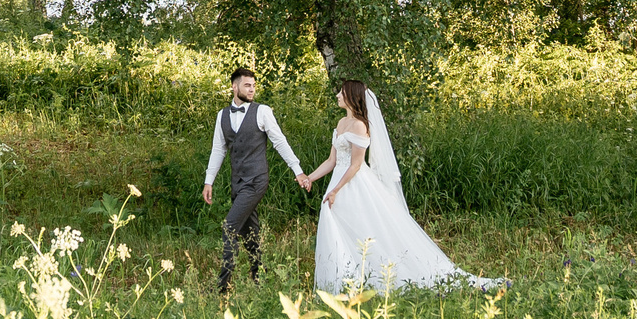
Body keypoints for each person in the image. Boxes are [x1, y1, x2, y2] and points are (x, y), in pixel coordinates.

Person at [300, 79, 502, 293]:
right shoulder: (341, 123)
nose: (338, 96)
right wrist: (310, 178)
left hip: (353, 184)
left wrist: (335, 190)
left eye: (342, 92)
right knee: (337, 228)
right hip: (338, 181)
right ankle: (342, 281)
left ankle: (373, 278)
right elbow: (332, 161)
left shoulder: (360, 125)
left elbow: (356, 165)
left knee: (362, 229)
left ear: (351, 96)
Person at [202, 65, 305, 293]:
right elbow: (218, 150)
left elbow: (279, 141)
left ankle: (222, 287)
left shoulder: (262, 111)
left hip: (257, 180)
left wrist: (297, 170)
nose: (251, 90)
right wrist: (209, 181)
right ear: (234, 86)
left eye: (254, 86)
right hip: (237, 182)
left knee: (229, 227)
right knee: (250, 232)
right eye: (247, 85)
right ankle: (260, 278)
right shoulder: (222, 116)